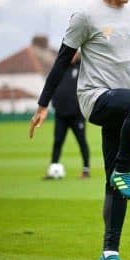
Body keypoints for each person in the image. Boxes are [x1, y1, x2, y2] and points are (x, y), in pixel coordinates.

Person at [29, 0, 130, 260]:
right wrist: (43, 103)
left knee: (113, 185)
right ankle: (124, 170)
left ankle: (109, 254)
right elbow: (62, 61)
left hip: (122, 101)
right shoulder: (86, 15)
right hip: (95, 98)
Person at [44, 51, 91, 179]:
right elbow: (52, 86)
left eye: (74, 52)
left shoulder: (82, 69)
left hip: (77, 115)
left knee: (82, 142)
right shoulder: (60, 68)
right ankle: (53, 169)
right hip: (61, 114)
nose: (72, 55)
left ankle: (86, 170)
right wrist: (53, 102)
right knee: (57, 142)